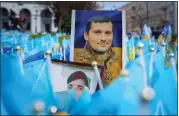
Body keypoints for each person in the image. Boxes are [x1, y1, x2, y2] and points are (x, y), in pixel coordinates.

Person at [74, 15, 122, 86]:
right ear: (86, 35)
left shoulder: (121, 57)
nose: (103, 38)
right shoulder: (74, 58)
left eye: (108, 33)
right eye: (97, 32)